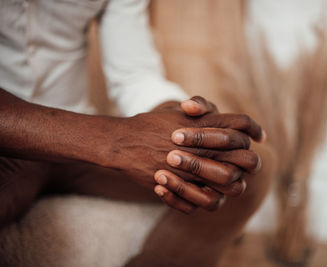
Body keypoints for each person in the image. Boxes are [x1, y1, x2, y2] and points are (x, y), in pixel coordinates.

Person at [0, 0, 269, 265]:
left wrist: (180, 118)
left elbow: (133, 75)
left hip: (80, 139)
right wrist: (116, 141)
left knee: (247, 162)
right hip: (12, 145)